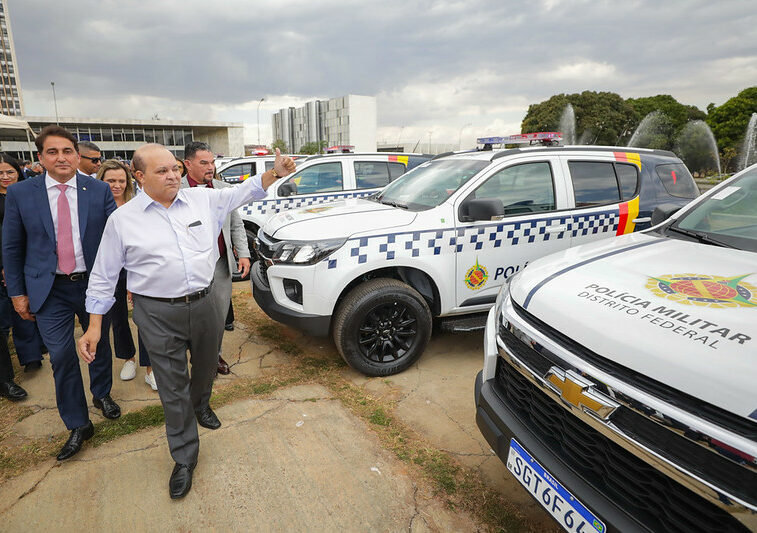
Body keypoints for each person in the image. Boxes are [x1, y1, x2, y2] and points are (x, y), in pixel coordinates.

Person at [79, 143, 294, 498]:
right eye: (161, 171)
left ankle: (202, 404)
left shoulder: (202, 200)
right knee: (171, 383)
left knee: (206, 366)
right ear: (140, 176)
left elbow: (244, 191)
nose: (172, 175)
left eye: (175, 168)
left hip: (207, 302)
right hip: (157, 312)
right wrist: (94, 325)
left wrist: (274, 173)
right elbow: (103, 277)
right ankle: (184, 455)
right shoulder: (123, 220)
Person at [2, 125, 120, 462]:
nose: (61, 157)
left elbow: (119, 231)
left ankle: (102, 394)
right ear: (40, 158)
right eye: (52, 152)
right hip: (48, 289)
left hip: (92, 285)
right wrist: (17, 294)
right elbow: (12, 247)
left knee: (98, 343)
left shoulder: (97, 190)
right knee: (62, 355)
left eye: (67, 151)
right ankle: (78, 424)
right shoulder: (22, 194)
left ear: (76, 155)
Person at [182, 142, 251, 375]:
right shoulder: (176, 189)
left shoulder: (223, 189)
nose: (210, 167)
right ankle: (193, 356)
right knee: (191, 317)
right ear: (187, 164)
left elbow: (236, 224)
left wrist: (243, 253)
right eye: (204, 163)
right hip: (189, 268)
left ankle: (213, 355)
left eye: (212, 162)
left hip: (220, 266)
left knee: (219, 314)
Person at [96, 159, 156, 389]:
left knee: (144, 318)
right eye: (111, 180)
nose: (117, 185)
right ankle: (128, 358)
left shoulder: (137, 204)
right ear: (101, 181)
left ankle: (150, 368)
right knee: (118, 318)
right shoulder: (95, 206)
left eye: (122, 180)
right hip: (110, 271)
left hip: (137, 270)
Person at [0, 153, 44, 374]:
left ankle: (32, 354)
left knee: (29, 310)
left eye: (10, 171)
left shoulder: (31, 194)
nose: (5, 177)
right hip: (6, 262)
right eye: (0, 173)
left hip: (31, 261)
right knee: (12, 311)